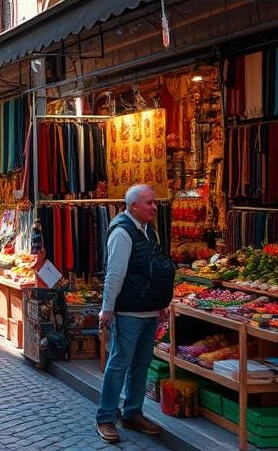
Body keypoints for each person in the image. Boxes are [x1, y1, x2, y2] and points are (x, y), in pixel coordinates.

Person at [95, 184, 173, 443]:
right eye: (149, 203)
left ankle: (132, 413)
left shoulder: (149, 231)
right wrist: (107, 308)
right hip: (128, 312)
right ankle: (106, 417)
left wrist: (160, 304)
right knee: (119, 365)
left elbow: (154, 269)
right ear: (133, 206)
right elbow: (114, 274)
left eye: (154, 202)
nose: (154, 207)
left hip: (149, 311)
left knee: (140, 365)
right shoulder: (122, 232)